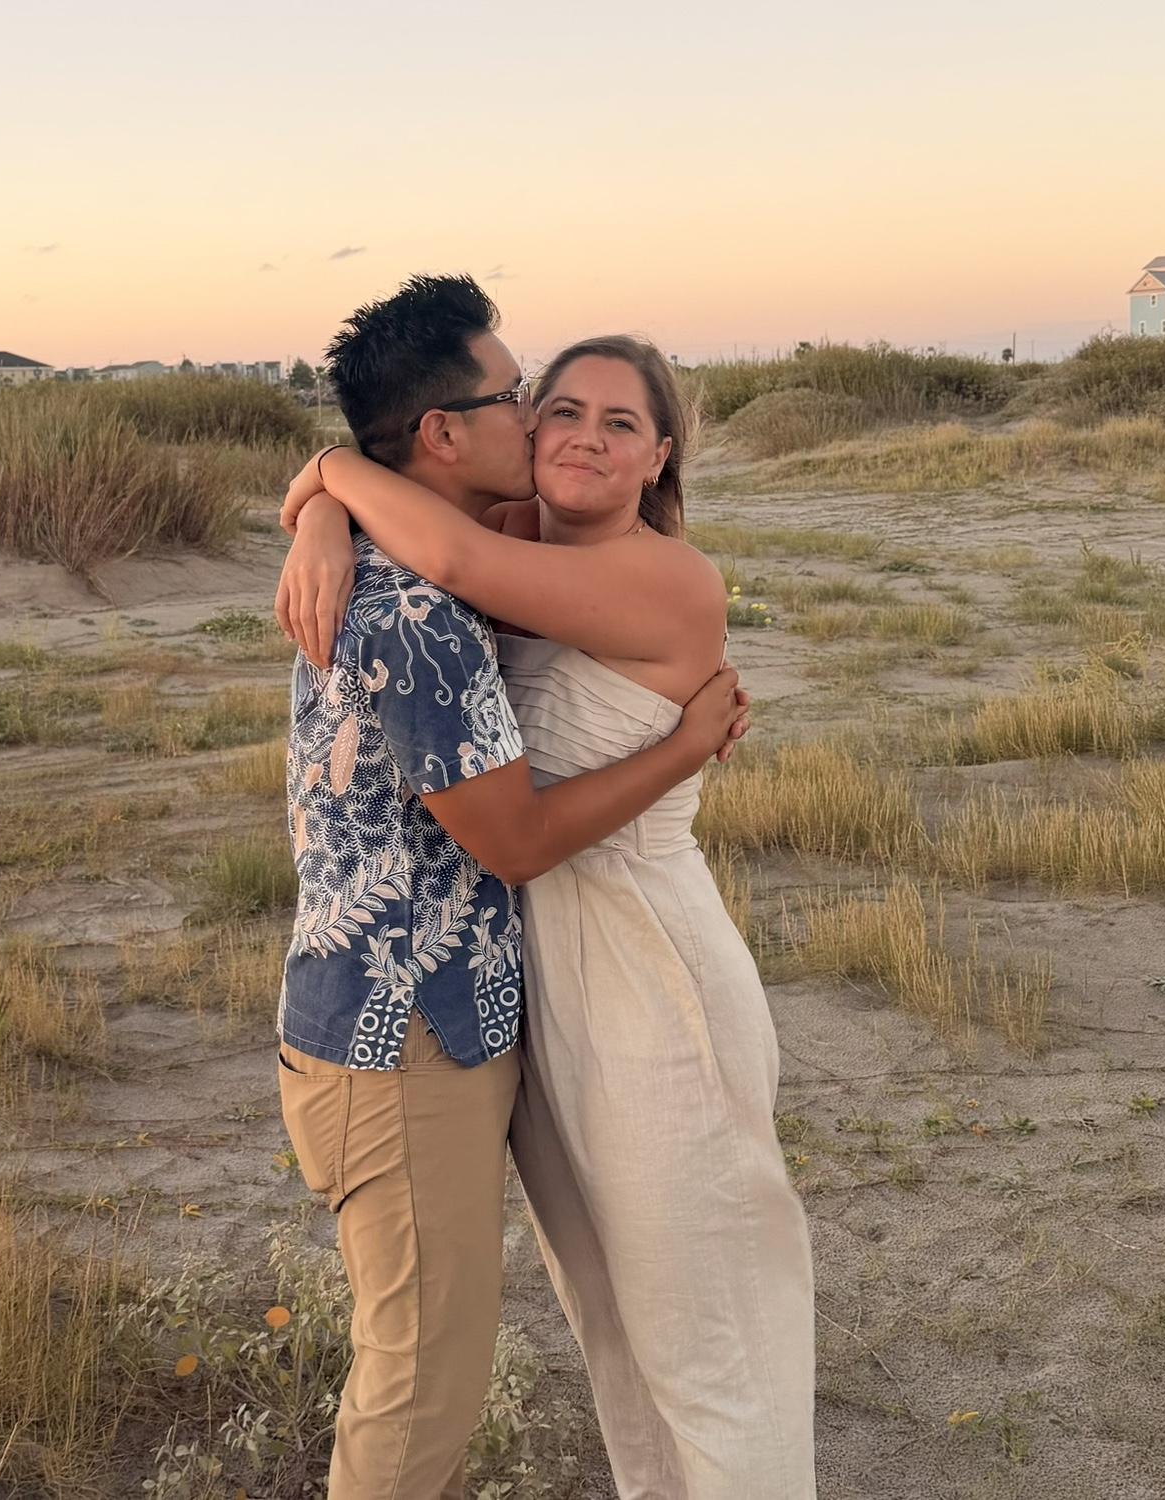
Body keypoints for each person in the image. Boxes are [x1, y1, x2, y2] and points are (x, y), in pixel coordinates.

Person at [277, 295, 817, 1498]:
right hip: (526, 990)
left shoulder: (657, 580)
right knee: (614, 1322)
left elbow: (450, 547)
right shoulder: (493, 547)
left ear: (661, 456)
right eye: (546, 404)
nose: (569, 430)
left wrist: (335, 484)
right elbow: (432, 526)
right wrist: (322, 491)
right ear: (457, 432)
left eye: (616, 421)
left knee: (707, 1314)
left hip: (643, 969)